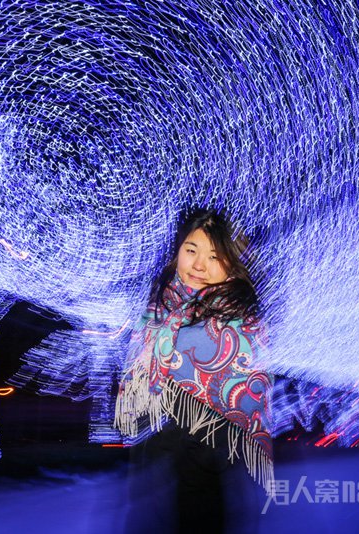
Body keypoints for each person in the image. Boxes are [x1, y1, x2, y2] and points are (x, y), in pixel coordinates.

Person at [116, 208, 272, 533]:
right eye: (191, 250)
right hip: (151, 456)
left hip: (207, 454)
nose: (199, 265)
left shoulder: (240, 321)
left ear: (232, 263)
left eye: (214, 256)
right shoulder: (159, 306)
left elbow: (246, 392)